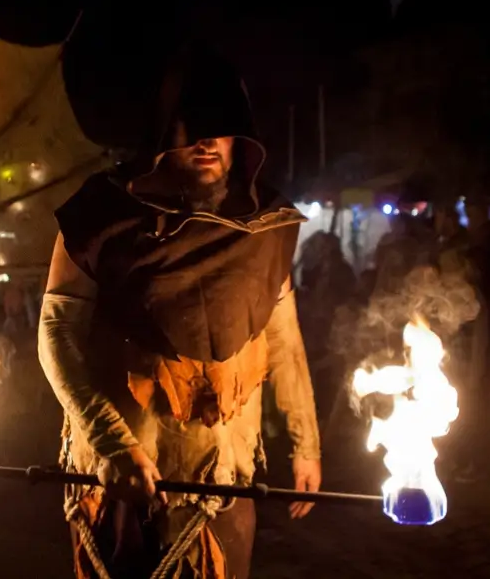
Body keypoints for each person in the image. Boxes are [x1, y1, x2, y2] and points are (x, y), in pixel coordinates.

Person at [38, 41, 321, 579]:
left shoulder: (268, 225)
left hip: (222, 475)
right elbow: (57, 331)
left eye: (222, 126)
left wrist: (306, 442)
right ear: (165, 128)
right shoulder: (102, 212)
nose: (208, 140)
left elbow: (283, 335)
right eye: (193, 124)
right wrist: (110, 442)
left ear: (244, 136)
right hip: (123, 471)